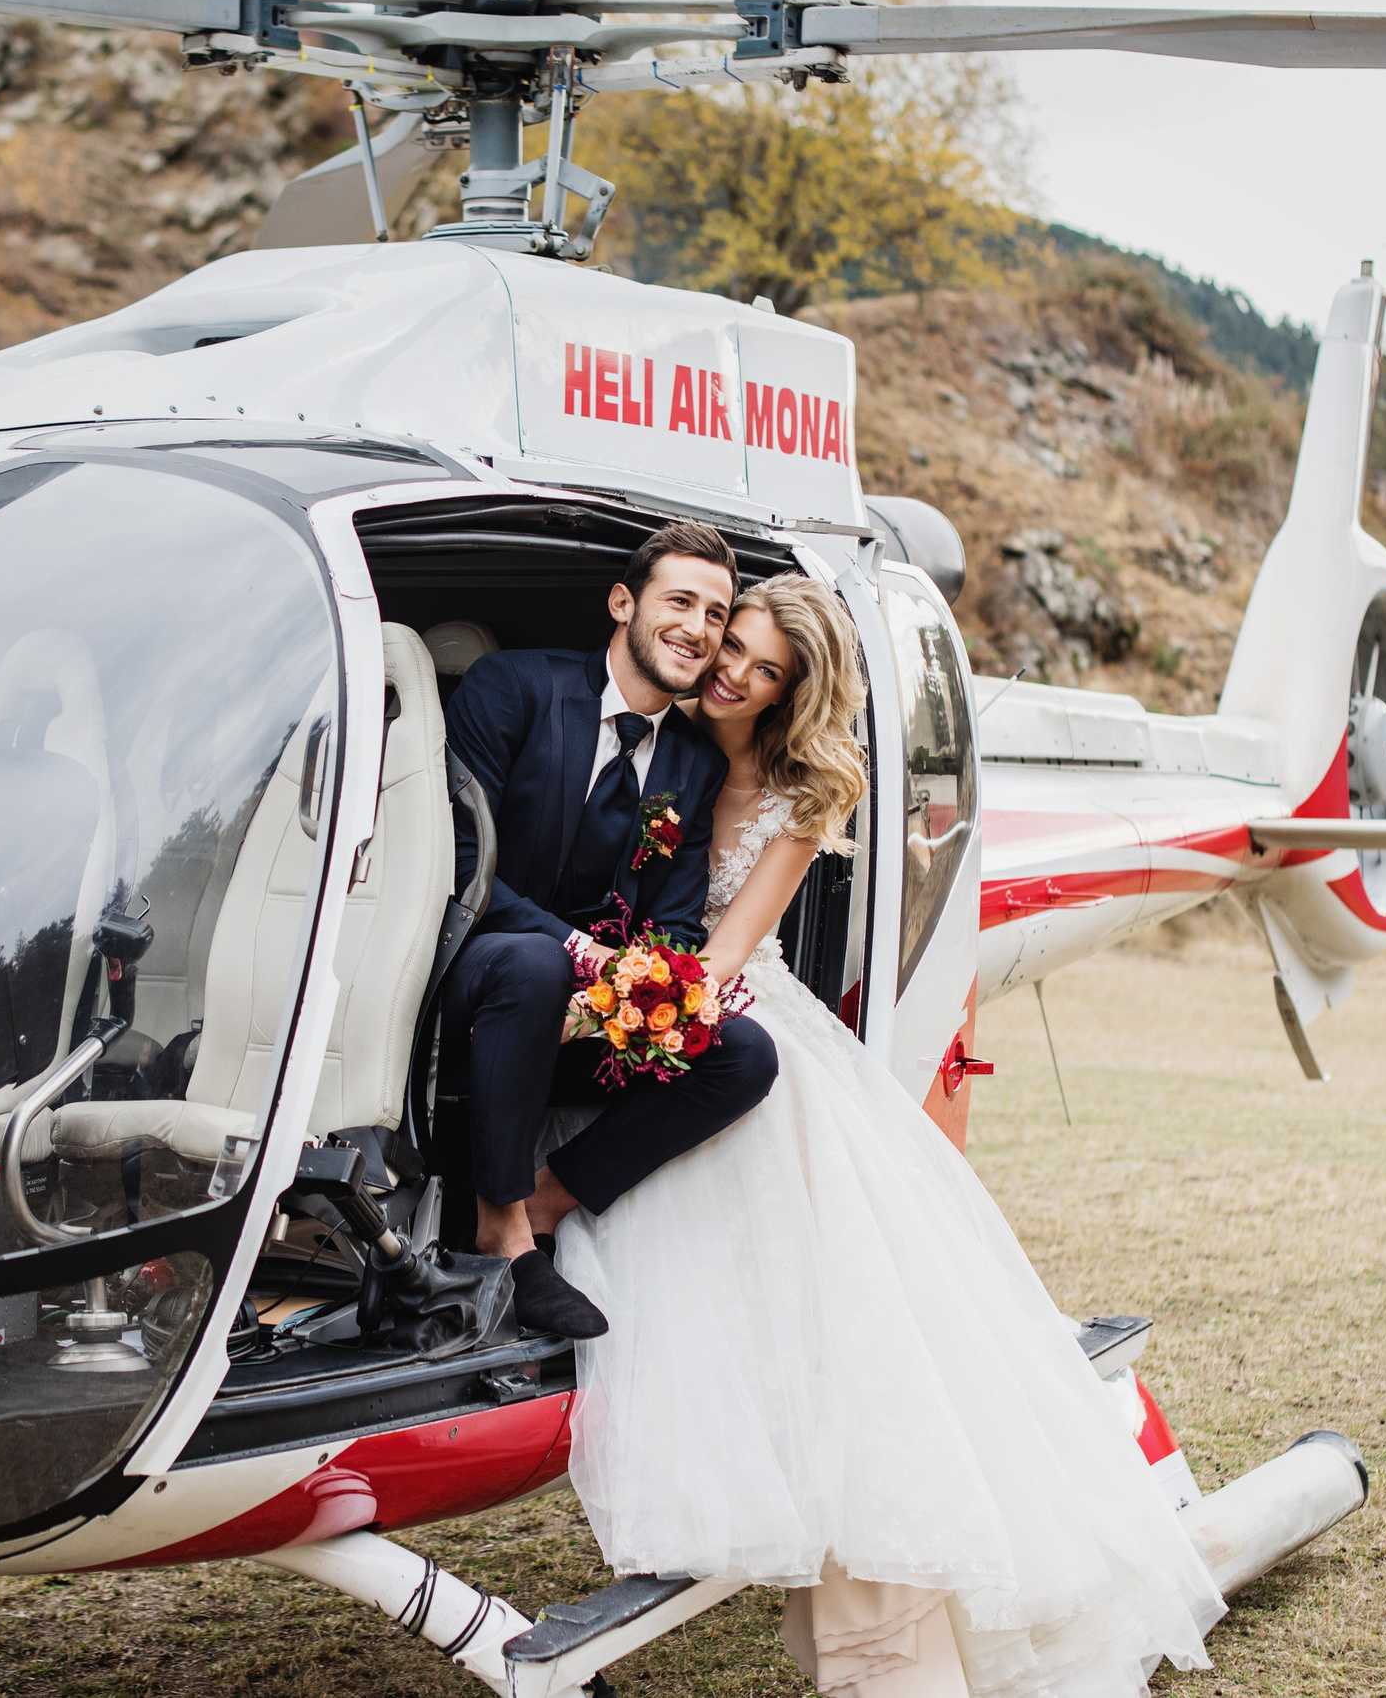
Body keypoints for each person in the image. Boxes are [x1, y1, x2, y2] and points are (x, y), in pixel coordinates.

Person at [556, 575, 1225, 1698]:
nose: (735, 675)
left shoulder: (799, 791)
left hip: (739, 1025)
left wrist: (635, 1018)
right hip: (671, 1012)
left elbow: (726, 955)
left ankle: (888, 1635)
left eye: (766, 671)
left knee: (838, 1344)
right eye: (735, 650)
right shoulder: (661, 748)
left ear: (791, 691)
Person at [439, 521, 780, 1339]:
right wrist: (576, 951)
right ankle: (502, 1232)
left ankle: (550, 1198)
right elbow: (457, 866)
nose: (698, 628)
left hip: (591, 1012)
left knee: (744, 1053)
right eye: (681, 601)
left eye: (715, 613)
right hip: (478, 985)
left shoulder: (694, 766)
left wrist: (642, 985)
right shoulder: (510, 687)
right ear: (624, 602)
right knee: (530, 962)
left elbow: (670, 916)